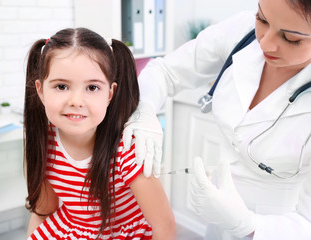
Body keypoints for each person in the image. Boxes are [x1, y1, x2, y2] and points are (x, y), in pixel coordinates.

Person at [122, 0, 311, 239]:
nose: (265, 42)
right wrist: (145, 111)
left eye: (291, 39)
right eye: (262, 19)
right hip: (215, 216)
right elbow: (164, 71)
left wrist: (246, 225)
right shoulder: (241, 32)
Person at [23, 27, 176, 240]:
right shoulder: (45, 141)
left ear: (110, 94)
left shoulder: (127, 148)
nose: (76, 101)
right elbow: (44, 211)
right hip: (69, 230)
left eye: (92, 88)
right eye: (61, 86)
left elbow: (164, 227)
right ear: (40, 91)